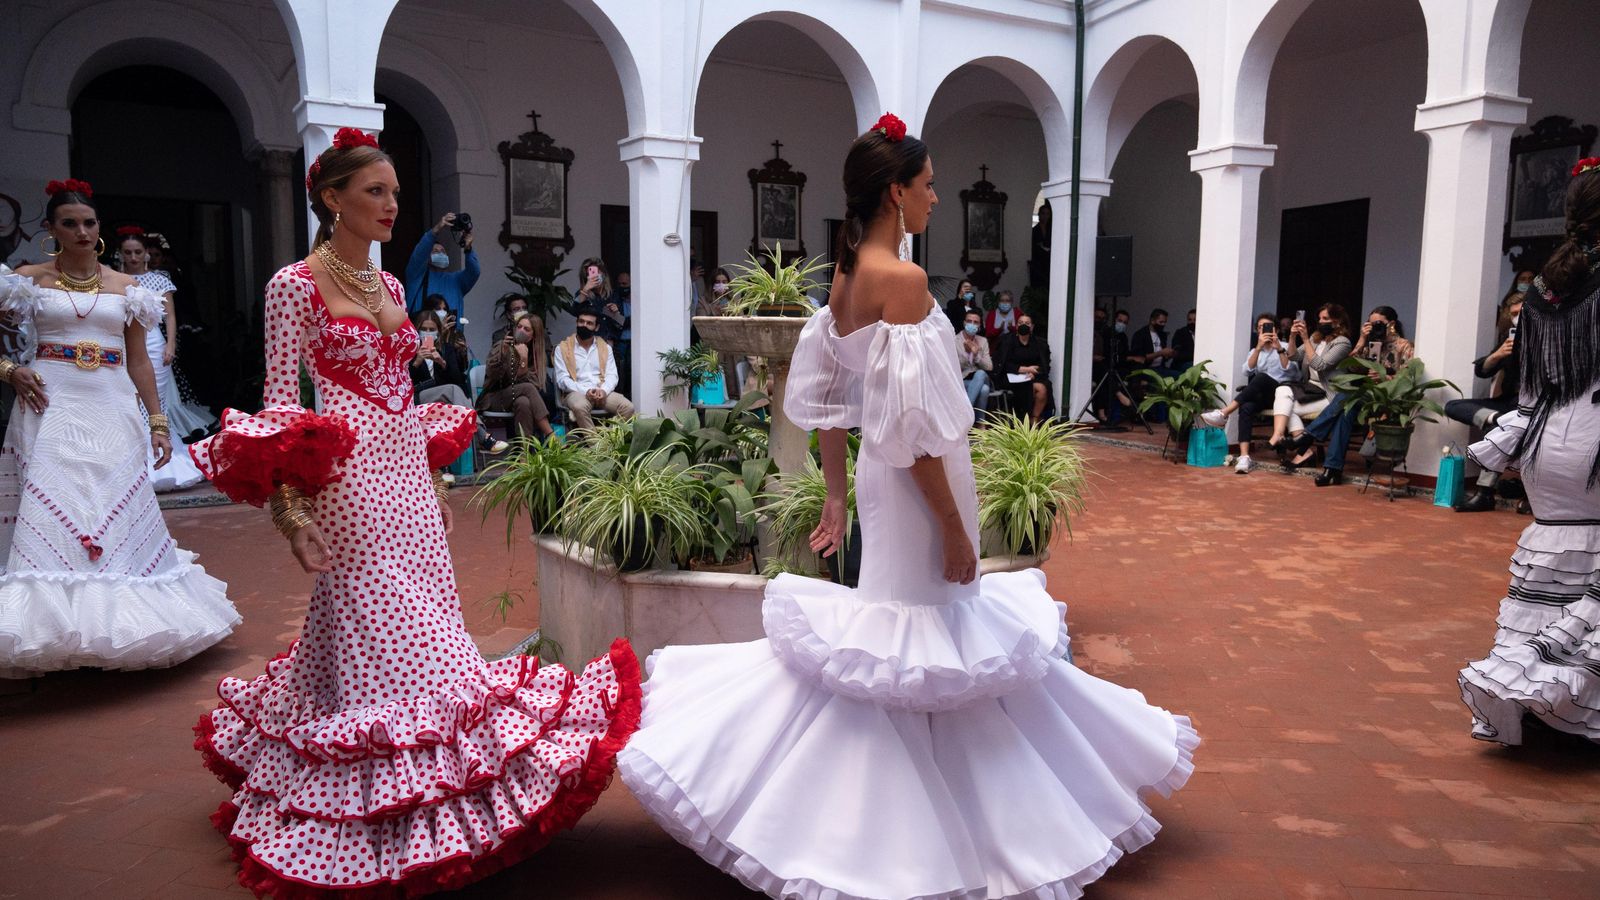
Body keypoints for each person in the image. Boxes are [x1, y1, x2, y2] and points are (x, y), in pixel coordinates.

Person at [617, 114, 1196, 900]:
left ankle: (900, 812)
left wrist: (832, 492)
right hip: (921, 485)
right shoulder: (906, 281)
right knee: (927, 635)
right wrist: (957, 530)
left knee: (907, 641)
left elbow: (823, 402)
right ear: (897, 190)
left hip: (886, 486)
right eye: (927, 185)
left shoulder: (849, 276)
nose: (934, 197)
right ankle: (941, 831)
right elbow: (913, 433)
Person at [188, 129, 639, 895]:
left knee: (382, 622)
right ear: (332, 198)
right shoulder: (292, 285)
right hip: (347, 475)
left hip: (407, 472)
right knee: (398, 626)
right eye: (375, 192)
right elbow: (275, 405)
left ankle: (386, 790)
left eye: (396, 193)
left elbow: (403, 392)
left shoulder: (393, 288)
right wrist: (293, 512)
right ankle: (385, 818)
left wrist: (432, 474)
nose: (394, 206)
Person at [0, 178, 237, 676]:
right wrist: (9, 370)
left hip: (111, 402)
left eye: (89, 223)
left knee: (113, 505)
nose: (82, 232)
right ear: (51, 229)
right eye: (70, 224)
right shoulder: (26, 279)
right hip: (50, 400)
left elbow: (140, 363)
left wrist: (157, 422)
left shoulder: (128, 288)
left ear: (99, 229)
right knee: (55, 506)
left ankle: (118, 626)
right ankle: (50, 630)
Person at [1458, 155, 1600, 745]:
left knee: (1556, 570)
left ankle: (1534, 701)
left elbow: (1528, 379)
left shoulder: (1545, 286)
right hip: (1593, 434)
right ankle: (1567, 706)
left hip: (1546, 441)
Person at [117, 229, 214, 490]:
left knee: (155, 401)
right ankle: (131, 458)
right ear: (120, 254)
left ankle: (159, 454)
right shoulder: (114, 279)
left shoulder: (160, 279)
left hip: (153, 343)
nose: (134, 257)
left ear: (147, 253)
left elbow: (170, 315)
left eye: (138, 252)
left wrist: (170, 344)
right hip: (123, 345)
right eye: (128, 252)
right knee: (128, 399)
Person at [1283, 305, 1415, 486]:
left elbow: (1409, 378)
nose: (1374, 327)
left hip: (1388, 399)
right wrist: (1362, 339)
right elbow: (1350, 365)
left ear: (1391, 324)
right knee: (1345, 411)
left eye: (1378, 323)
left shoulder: (1404, 346)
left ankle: (1310, 435)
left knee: (1347, 396)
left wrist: (1387, 375)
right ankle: (1332, 470)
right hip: (1367, 395)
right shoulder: (1371, 344)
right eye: (1370, 323)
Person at [1448, 290, 1524, 512]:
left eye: (1521, 312)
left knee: (1504, 430)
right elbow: (1482, 370)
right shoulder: (1507, 340)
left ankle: (1484, 493)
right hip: (1507, 405)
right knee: (1453, 405)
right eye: (1513, 314)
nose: (1517, 317)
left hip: (1531, 407)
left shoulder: (1548, 337)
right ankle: (1497, 419)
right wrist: (1498, 355)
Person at [1199, 313, 1300, 474]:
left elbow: (1292, 372)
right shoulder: (1255, 350)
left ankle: (1224, 412)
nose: (1263, 330)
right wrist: (1259, 348)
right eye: (1260, 328)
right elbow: (1246, 370)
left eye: (1267, 327)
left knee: (1260, 378)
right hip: (1263, 396)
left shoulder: (1286, 346)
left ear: (1276, 329)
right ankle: (1245, 456)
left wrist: (1279, 349)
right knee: (1246, 406)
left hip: (1282, 395)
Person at [1267, 304, 1353, 465]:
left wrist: (1306, 339)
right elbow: (1293, 356)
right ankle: (1294, 444)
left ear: (1338, 321)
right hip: (1311, 390)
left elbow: (1320, 365)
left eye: (1325, 318)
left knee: (1285, 409)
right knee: (1282, 392)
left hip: (1329, 394)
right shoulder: (1316, 338)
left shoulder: (1343, 343)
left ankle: (1301, 450)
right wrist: (1293, 337)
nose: (1321, 322)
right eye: (1319, 318)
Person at [412, 309, 507, 455]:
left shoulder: (446, 349)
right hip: (417, 399)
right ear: (416, 330)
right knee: (452, 391)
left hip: (442, 400)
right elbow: (402, 380)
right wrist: (417, 362)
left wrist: (442, 363)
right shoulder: (410, 350)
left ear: (438, 331)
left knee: (454, 391)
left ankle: (480, 438)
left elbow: (457, 380)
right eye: (423, 329)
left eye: (432, 329)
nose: (428, 333)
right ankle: (483, 437)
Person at [479, 310, 555, 441]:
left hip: (517, 397)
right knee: (527, 389)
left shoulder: (537, 355)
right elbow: (494, 376)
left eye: (526, 329)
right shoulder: (502, 346)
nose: (521, 331)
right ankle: (551, 436)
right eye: (519, 327)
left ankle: (523, 454)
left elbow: (534, 384)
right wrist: (504, 353)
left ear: (533, 336)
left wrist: (524, 358)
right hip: (496, 398)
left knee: (523, 402)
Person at [554, 306, 635, 430]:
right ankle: (597, 446)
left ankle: (608, 438)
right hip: (576, 392)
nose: (584, 325)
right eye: (581, 321)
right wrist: (585, 391)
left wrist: (603, 390)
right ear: (576, 323)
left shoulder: (605, 348)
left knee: (628, 407)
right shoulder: (562, 348)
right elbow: (562, 380)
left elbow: (612, 375)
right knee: (580, 406)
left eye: (589, 323)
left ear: (596, 327)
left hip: (601, 391)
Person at [402, 212, 478, 315]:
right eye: (436, 252)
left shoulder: (456, 280)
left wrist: (468, 249)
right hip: (423, 330)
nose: (440, 254)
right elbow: (420, 253)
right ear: (427, 258)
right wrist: (436, 229)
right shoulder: (416, 276)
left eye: (443, 252)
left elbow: (474, 272)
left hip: (452, 331)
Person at [995, 311, 1053, 423]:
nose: (1023, 325)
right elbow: (1003, 364)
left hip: (1033, 376)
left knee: (1043, 387)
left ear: (1032, 327)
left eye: (1027, 323)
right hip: (1011, 376)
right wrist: (1025, 370)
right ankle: (1024, 419)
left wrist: (1033, 372)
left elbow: (1045, 366)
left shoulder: (1040, 344)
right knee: (1031, 387)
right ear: (1016, 326)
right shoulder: (1007, 341)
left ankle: (1034, 418)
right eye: (1020, 322)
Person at [957, 308, 992, 411]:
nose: (972, 324)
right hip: (963, 380)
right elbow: (954, 368)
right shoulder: (955, 341)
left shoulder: (983, 341)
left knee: (980, 373)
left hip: (982, 377)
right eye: (969, 321)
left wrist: (976, 355)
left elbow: (989, 367)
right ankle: (980, 423)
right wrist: (968, 352)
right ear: (964, 323)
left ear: (980, 325)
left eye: (975, 322)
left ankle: (965, 413)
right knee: (984, 390)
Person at [1128, 307, 1178, 376]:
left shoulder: (1162, 335)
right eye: (1161, 322)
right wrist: (1160, 353)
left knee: (1180, 376)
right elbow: (1140, 358)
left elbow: (1163, 357)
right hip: (1146, 369)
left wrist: (1170, 354)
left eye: (1165, 322)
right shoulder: (1140, 335)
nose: (1163, 324)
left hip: (1160, 368)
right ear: (1152, 320)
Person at [1029, 199, 1052, 287]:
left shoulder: (1052, 231)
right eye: (1043, 213)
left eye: (1047, 214)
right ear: (1039, 214)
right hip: (1038, 265)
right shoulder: (1034, 231)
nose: (1045, 216)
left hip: (1049, 265)